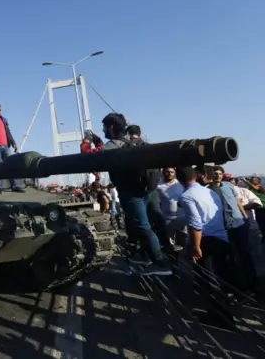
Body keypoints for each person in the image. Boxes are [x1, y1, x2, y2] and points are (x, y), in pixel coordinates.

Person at [100, 113, 171, 276]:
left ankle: (160, 263)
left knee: (142, 226)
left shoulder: (112, 145)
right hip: (144, 188)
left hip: (130, 191)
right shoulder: (136, 141)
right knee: (138, 223)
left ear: (111, 127)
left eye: (104, 127)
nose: (103, 130)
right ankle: (144, 255)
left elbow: (95, 158)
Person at [176, 166, 235, 328]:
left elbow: (195, 223)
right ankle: (224, 312)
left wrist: (195, 246)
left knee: (209, 281)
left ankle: (221, 318)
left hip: (206, 240)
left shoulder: (187, 196)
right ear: (195, 176)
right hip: (221, 238)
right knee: (220, 278)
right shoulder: (211, 192)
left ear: (179, 180)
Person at [208, 166, 257, 292]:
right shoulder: (208, 189)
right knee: (230, 255)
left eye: (219, 173)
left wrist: (245, 218)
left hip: (238, 221)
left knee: (244, 253)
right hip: (224, 226)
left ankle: (252, 282)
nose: (217, 175)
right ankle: (235, 284)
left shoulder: (229, 186)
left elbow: (237, 202)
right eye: (215, 173)